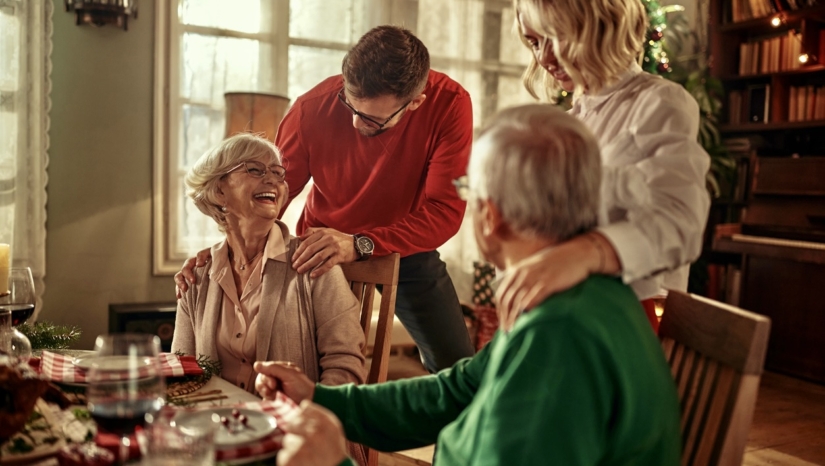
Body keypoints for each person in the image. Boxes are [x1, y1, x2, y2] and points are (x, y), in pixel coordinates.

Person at [253, 104, 682, 466]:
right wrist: (322, 400)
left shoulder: (560, 335)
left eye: (466, 189)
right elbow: (457, 391)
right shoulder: (579, 294)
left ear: (490, 214)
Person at [176, 25, 475, 373]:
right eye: (348, 102)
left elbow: (444, 210)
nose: (354, 122)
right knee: (311, 360)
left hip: (405, 246)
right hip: (318, 249)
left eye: (372, 120)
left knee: (459, 367)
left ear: (415, 103)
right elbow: (268, 194)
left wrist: (361, 244)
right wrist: (225, 251)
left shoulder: (451, 104)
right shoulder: (311, 109)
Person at [495, 0, 711, 332]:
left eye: (555, 36)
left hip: (627, 321)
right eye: (535, 42)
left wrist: (587, 253)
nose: (544, 58)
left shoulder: (658, 102)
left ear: (601, 25)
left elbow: (680, 223)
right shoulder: (565, 126)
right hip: (563, 318)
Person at [171, 133, 366, 393]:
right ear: (219, 191)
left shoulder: (313, 260)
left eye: (279, 173)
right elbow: (181, 368)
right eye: (255, 169)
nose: (273, 179)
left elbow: (345, 366)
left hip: (291, 426)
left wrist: (306, 416)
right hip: (216, 425)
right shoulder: (196, 276)